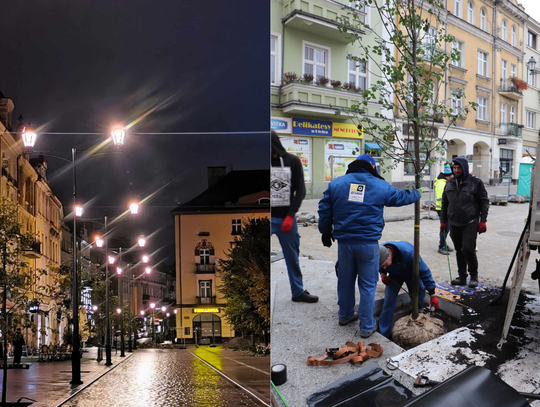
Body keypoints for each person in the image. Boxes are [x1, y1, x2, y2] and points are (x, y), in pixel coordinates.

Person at [318, 154, 422, 337]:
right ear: (372, 167)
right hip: (368, 244)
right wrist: (417, 193)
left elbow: (324, 208)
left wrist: (325, 231)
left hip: (344, 244)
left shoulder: (336, 183)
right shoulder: (379, 184)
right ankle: (366, 327)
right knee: (367, 286)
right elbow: (400, 198)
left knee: (345, 281)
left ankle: (345, 315)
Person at [271, 130, 318, 303]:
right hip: (264, 218)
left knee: (292, 258)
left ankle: (298, 292)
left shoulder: (292, 161)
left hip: (286, 219)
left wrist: (291, 215)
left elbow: (301, 190)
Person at [440, 156, 489, 288]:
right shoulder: (449, 183)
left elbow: (484, 201)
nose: (456, 170)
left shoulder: (475, 182)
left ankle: (473, 276)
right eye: (454, 168)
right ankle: (462, 277)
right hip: (454, 223)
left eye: (458, 168)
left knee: (468, 249)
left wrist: (483, 220)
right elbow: (444, 203)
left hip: (470, 222)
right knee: (459, 251)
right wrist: (443, 221)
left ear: (465, 168)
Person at [378, 242, 439, 338]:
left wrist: (432, 294)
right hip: (394, 275)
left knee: (418, 300)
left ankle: (418, 330)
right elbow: (380, 266)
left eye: (385, 264)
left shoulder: (409, 253)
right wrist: (383, 273)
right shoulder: (379, 251)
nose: (384, 267)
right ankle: (383, 334)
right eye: (382, 266)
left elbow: (425, 272)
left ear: (389, 255)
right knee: (388, 303)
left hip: (412, 274)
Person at [435, 164, 454, 255]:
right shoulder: (442, 183)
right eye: (451, 176)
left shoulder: (443, 182)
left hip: (444, 209)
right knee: (445, 228)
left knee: (446, 227)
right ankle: (441, 246)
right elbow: (441, 198)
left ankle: (443, 244)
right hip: (442, 209)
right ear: (448, 176)